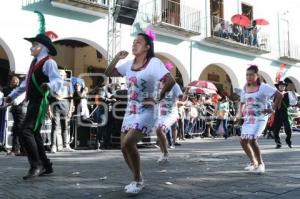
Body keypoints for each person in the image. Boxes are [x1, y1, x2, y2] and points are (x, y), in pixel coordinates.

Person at [104, 33, 175, 195]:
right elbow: (109, 73)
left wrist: (157, 98)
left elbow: (170, 81)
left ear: (147, 47)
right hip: (131, 111)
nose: (134, 44)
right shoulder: (128, 64)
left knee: (129, 142)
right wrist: (116, 57)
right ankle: (138, 178)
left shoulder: (154, 63)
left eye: (138, 42)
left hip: (147, 110)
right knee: (123, 147)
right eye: (133, 42)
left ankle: (137, 180)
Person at [5, 33, 64, 180]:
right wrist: (12, 96)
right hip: (32, 101)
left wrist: (49, 85)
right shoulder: (34, 63)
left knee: (25, 131)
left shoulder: (49, 62)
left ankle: (36, 165)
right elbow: (26, 84)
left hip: (40, 101)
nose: (31, 48)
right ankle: (47, 165)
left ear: (42, 48)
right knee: (34, 133)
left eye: (34, 45)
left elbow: (58, 81)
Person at [238, 65, 282, 174]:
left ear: (257, 76)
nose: (249, 77)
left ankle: (261, 164)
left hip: (260, 118)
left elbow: (279, 95)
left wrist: (272, 109)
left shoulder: (263, 87)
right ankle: (253, 163)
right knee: (243, 141)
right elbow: (242, 101)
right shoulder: (245, 87)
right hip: (249, 118)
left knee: (252, 139)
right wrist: (239, 113)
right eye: (247, 75)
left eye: (251, 75)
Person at [155, 70, 186, 163]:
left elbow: (181, 98)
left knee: (159, 129)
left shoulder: (174, 85)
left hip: (171, 113)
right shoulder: (158, 85)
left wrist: (184, 95)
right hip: (160, 113)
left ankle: (165, 153)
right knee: (159, 132)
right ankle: (164, 153)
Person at [49, 70, 74, 153]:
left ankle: (65, 145)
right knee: (55, 126)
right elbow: (49, 98)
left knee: (65, 127)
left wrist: (70, 109)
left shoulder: (68, 84)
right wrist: (49, 109)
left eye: (62, 75)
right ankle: (53, 146)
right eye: (59, 74)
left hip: (65, 108)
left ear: (65, 76)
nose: (60, 76)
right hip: (55, 107)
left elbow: (71, 98)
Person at [3, 76, 27, 155]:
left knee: (19, 130)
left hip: (20, 111)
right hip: (18, 111)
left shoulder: (23, 90)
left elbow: (16, 101)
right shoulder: (21, 89)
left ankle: (21, 150)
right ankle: (18, 149)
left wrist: (5, 106)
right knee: (17, 130)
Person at [272, 81, 297, 149]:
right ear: (278, 87)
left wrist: (293, 96)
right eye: (280, 86)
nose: (282, 87)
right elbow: (272, 103)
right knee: (276, 130)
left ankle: (288, 141)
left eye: (283, 86)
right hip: (277, 112)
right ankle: (278, 143)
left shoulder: (288, 93)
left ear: (285, 87)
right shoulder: (275, 94)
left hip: (285, 113)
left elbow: (294, 102)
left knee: (288, 129)